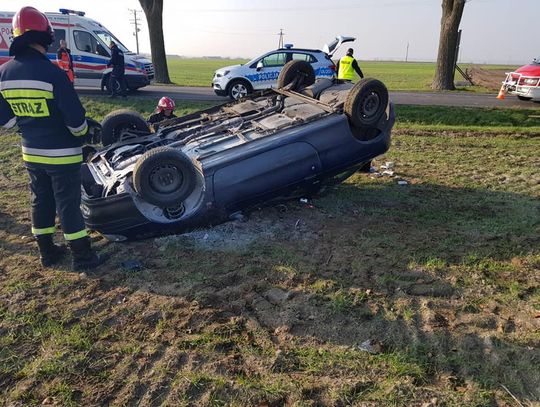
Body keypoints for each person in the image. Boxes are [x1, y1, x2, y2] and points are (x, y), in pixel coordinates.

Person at [0, 6, 106, 271]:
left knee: (40, 199)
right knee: (68, 204)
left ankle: (47, 253)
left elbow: (7, 121)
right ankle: (82, 258)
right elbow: (76, 122)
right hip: (62, 154)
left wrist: (30, 125)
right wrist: (84, 133)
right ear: (44, 35)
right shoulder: (53, 74)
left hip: (30, 152)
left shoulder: (3, 74)